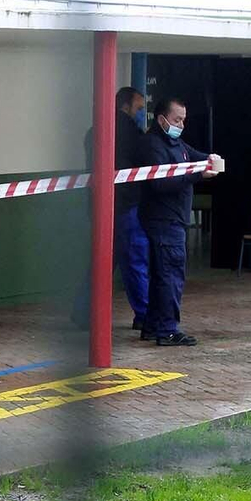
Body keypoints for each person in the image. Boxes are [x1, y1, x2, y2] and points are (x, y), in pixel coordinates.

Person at [137, 97, 221, 346]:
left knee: (162, 275)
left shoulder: (176, 143)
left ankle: (153, 326)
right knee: (171, 276)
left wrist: (210, 158)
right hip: (164, 220)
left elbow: (194, 157)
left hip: (172, 219)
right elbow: (160, 182)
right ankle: (167, 330)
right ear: (161, 119)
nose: (181, 125)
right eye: (176, 120)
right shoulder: (153, 145)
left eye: (183, 120)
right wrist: (196, 175)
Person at [74, 86, 150, 330]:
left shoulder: (94, 130)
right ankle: (145, 314)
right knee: (135, 260)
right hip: (126, 206)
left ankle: (83, 312)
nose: (141, 113)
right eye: (139, 108)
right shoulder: (131, 132)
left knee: (101, 261)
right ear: (125, 106)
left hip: (98, 207)